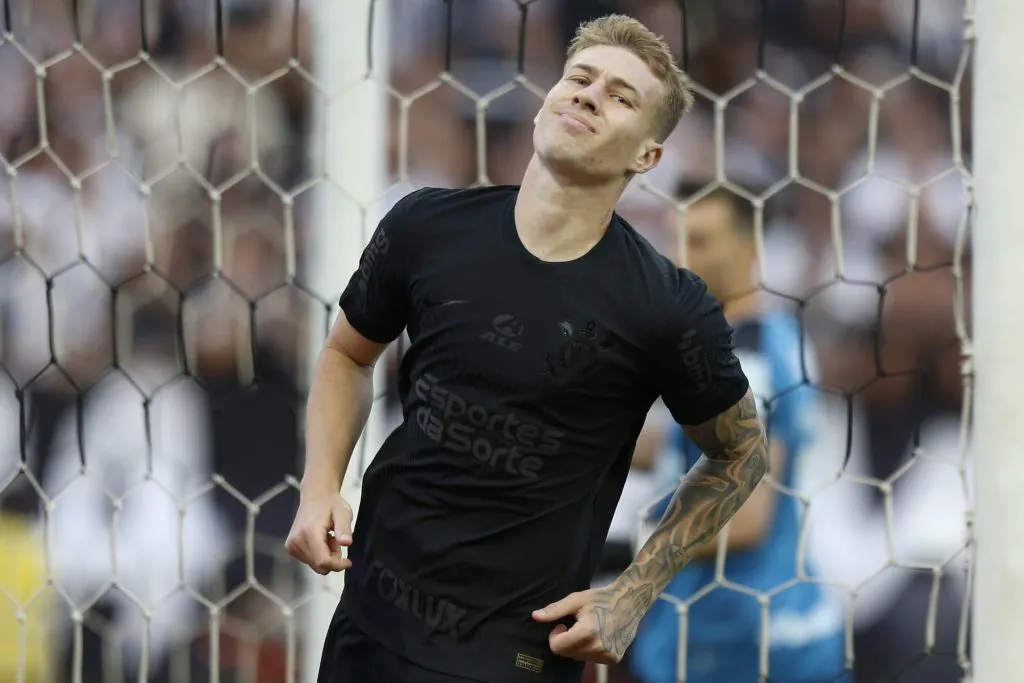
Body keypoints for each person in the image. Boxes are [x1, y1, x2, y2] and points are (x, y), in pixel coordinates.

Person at [286, 15, 769, 683]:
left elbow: (742, 452)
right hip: (370, 624)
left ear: (647, 156)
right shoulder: (425, 226)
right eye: (580, 77)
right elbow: (346, 355)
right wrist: (317, 490)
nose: (590, 94)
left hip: (513, 657)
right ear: (547, 98)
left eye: (621, 96)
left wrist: (634, 589)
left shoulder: (666, 305)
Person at [629, 184, 847, 683]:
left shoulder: (747, 360)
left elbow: (747, 520)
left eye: (702, 241)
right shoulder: (763, 338)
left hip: (737, 640)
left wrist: (621, 546)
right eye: (677, 237)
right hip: (756, 626)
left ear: (749, 251)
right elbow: (690, 448)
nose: (682, 256)